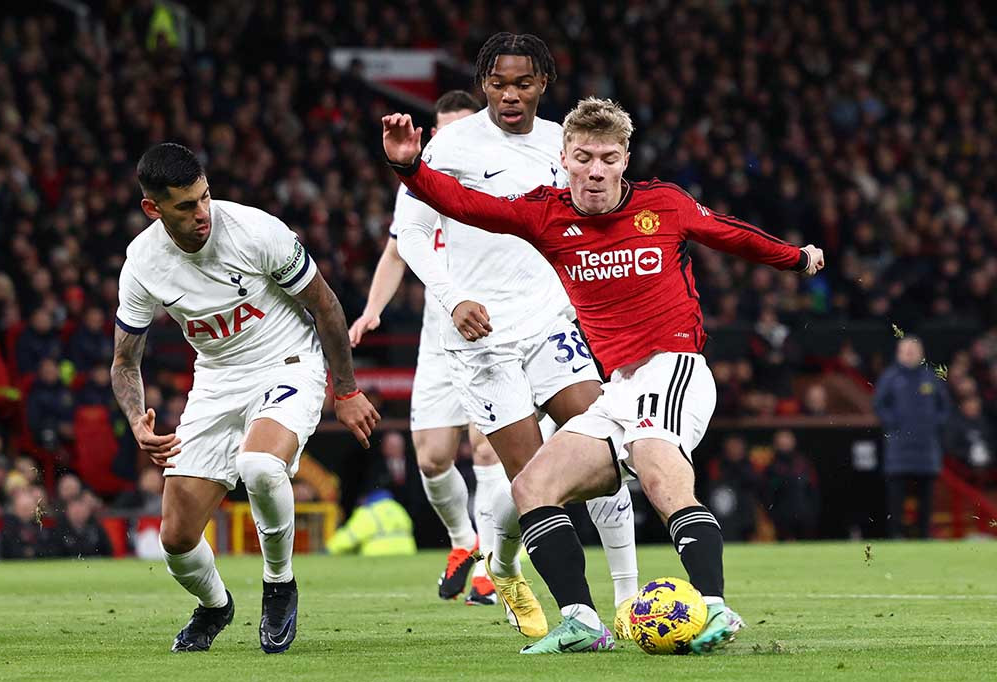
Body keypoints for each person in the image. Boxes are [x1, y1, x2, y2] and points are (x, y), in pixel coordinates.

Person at [382, 97, 825, 653]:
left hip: (674, 367)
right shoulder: (545, 213)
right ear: (563, 157)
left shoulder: (663, 204)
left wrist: (797, 258)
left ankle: (715, 608)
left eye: (608, 158)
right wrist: (409, 168)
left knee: (660, 471)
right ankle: (582, 621)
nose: (595, 170)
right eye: (584, 156)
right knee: (533, 487)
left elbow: (732, 234)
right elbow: (469, 206)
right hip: (617, 389)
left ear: (625, 159)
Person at [387, 33, 638, 641]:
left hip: (551, 323)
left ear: (543, 84)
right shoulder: (451, 144)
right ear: (482, 84)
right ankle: (571, 609)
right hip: (481, 337)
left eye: (523, 83)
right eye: (498, 83)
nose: (510, 95)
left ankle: (628, 601)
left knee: (606, 451)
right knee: (533, 479)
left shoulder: (564, 144)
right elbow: (413, 236)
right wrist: (454, 298)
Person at [111, 143, 379, 654]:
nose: (202, 213)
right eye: (186, 206)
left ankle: (279, 584)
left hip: (287, 362)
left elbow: (325, 304)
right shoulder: (143, 264)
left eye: (205, 197)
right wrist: (136, 422)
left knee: (259, 465)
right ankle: (216, 606)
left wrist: (345, 390)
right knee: (176, 539)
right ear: (154, 208)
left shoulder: (256, 231)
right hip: (215, 381)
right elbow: (125, 361)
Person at [349, 90, 501, 606]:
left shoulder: (503, 176)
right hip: (439, 342)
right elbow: (396, 251)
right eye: (446, 130)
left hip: (497, 334)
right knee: (433, 459)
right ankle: (465, 544)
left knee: (489, 449)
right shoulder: (418, 182)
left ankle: (498, 567)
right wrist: (373, 310)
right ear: (434, 134)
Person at [873, 336, 951, 539]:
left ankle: (924, 534)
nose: (910, 354)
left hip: (926, 448)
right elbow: (879, 406)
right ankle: (896, 534)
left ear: (921, 353)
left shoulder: (931, 377)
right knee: (896, 496)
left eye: (914, 351)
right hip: (899, 448)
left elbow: (945, 407)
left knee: (926, 496)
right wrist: (895, 424)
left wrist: (933, 424)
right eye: (906, 351)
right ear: (899, 353)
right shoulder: (890, 377)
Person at [325, 489, 417, 557]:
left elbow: (349, 536)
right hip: (407, 553)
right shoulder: (398, 508)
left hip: (378, 555)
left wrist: (328, 550)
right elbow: (410, 526)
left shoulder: (369, 511)